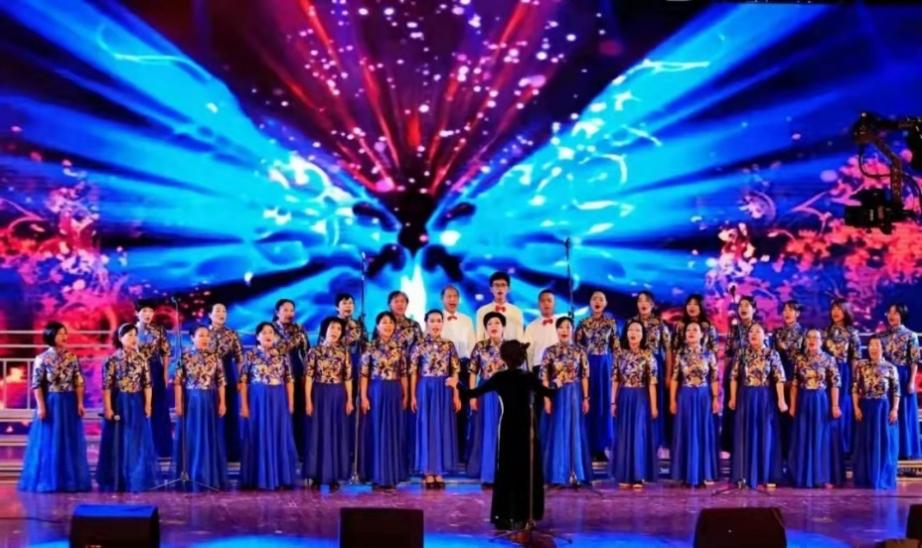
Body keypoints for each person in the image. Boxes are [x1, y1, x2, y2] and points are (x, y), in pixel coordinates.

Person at [446, 340, 556, 532]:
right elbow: (548, 392)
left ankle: (506, 514)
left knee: (507, 469)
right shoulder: (528, 377)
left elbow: (472, 393)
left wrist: (457, 385)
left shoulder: (500, 378)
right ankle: (527, 513)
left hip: (508, 427)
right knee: (527, 469)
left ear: (504, 358)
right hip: (527, 427)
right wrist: (556, 382)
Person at [19, 322, 91, 492]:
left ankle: (69, 480)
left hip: (69, 402)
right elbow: (37, 384)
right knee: (50, 441)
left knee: (69, 441)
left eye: (65, 333)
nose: (64, 336)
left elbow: (79, 382)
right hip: (51, 402)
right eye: (60, 333)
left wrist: (80, 403)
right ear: (51, 336)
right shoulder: (42, 359)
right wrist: (41, 407)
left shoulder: (72, 357)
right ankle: (49, 479)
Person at [96, 323, 160, 492]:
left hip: (136, 402)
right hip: (120, 403)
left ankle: (135, 477)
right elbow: (107, 387)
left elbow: (147, 384)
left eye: (135, 335)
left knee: (136, 439)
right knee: (119, 440)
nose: (133, 338)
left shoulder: (142, 359)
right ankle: (118, 479)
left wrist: (148, 404)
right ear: (120, 338)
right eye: (129, 335)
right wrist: (108, 408)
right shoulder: (112, 360)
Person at [239, 322, 298, 490]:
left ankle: (280, 478)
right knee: (258, 434)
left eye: (271, 332)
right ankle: (258, 478)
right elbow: (243, 382)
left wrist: (290, 402)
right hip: (258, 399)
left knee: (279, 435)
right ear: (257, 336)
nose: (268, 335)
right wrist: (244, 405)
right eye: (264, 332)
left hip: (278, 398)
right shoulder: (250, 355)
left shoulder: (282, 356)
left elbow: (289, 380)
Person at [728, 323, 787, 489]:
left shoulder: (772, 354)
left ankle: (767, 474)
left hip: (764, 397)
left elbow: (779, 378)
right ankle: (744, 475)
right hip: (746, 396)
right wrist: (732, 398)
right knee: (745, 433)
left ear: (765, 335)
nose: (753, 334)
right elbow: (733, 377)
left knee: (766, 432)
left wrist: (781, 400)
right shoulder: (741, 353)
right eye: (751, 331)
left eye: (758, 331)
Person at [172, 325, 228, 491]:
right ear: (192, 338)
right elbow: (177, 382)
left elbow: (221, 382)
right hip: (191, 400)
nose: (205, 339)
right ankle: (192, 475)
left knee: (209, 437)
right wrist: (179, 403)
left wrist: (222, 402)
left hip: (210, 399)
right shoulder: (184, 356)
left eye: (207, 336)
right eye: (201, 335)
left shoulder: (215, 357)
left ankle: (209, 476)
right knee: (193, 437)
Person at [410, 310, 462, 489]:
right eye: (432, 321)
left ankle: (439, 470)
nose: (436, 324)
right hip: (426, 388)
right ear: (426, 323)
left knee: (441, 426)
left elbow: (455, 370)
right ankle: (427, 471)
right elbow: (413, 372)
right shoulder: (419, 344)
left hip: (444, 388)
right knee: (426, 427)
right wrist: (413, 395)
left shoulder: (449, 345)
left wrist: (456, 394)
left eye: (439, 321)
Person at [540, 316, 592, 487]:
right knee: (557, 431)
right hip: (556, 393)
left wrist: (586, 398)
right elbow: (544, 377)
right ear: (556, 330)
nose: (564, 330)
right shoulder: (549, 351)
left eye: (568, 327)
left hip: (575, 393)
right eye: (561, 327)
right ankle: (557, 474)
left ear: (572, 330)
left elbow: (584, 376)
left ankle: (575, 473)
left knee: (574, 430)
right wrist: (546, 399)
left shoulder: (580, 350)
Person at [360, 312, 408, 491]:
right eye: (384, 322)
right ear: (377, 325)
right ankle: (377, 476)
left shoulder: (400, 348)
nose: (388, 326)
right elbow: (364, 374)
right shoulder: (369, 347)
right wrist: (363, 397)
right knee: (376, 431)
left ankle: (391, 476)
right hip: (376, 391)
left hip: (394, 391)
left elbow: (403, 373)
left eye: (390, 323)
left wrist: (406, 395)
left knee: (393, 432)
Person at [304, 317, 353, 491]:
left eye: (339, 329)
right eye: (332, 328)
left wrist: (349, 399)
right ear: (325, 330)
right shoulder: (314, 351)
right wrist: (308, 400)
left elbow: (348, 378)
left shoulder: (344, 352)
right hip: (319, 393)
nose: (335, 331)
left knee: (336, 433)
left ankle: (334, 476)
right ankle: (316, 475)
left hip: (338, 394)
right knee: (318, 432)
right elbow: (308, 378)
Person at [787, 329, 841, 488]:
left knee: (821, 437)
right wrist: (792, 406)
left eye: (815, 338)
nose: (812, 340)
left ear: (821, 341)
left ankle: (821, 477)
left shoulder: (829, 359)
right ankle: (802, 476)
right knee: (803, 436)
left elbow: (835, 384)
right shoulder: (800, 359)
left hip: (820, 401)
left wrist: (835, 405)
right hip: (804, 400)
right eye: (809, 337)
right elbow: (795, 384)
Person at [670, 321, 720, 487]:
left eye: (695, 330)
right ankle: (685, 473)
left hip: (704, 396)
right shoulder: (680, 354)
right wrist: (672, 400)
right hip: (685, 395)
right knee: (686, 431)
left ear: (702, 335)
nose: (691, 332)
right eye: (688, 330)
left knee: (703, 431)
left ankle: (705, 472)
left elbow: (714, 378)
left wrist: (715, 398)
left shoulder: (709, 354)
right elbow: (675, 378)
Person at [610, 319, 658, 488]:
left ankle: (639, 475)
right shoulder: (619, 354)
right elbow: (615, 380)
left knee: (638, 434)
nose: (634, 333)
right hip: (624, 396)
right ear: (626, 333)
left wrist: (654, 406)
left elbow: (652, 383)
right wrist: (613, 402)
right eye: (631, 330)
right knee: (624, 434)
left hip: (641, 397)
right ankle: (625, 474)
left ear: (643, 335)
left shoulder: (648, 355)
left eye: (638, 330)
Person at [574, 290, 619, 460]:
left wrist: (616, 370)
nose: (597, 301)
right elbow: (577, 347)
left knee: (603, 404)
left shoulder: (611, 323)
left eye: (601, 299)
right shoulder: (583, 323)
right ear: (590, 302)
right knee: (588, 403)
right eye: (594, 298)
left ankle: (601, 446)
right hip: (587, 365)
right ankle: (587, 445)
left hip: (605, 365)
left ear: (605, 303)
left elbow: (616, 349)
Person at [853, 336, 901, 489]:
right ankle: (865, 478)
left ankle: (881, 477)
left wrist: (895, 409)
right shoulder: (861, 366)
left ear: (883, 348)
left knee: (883, 442)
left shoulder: (891, 368)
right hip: (866, 407)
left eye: (876, 345)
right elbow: (855, 388)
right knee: (865, 442)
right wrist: (856, 407)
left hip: (883, 408)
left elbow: (896, 391)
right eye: (871, 345)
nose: (873, 348)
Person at [467, 312, 507, 486]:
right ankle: (487, 473)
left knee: (505, 432)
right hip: (486, 391)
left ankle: (505, 473)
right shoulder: (480, 347)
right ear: (485, 328)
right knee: (486, 430)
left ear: (503, 327)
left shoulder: (511, 347)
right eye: (489, 324)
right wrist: (472, 395)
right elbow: (473, 372)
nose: (493, 326)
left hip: (507, 392)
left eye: (497, 323)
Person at [630, 291, 671, 452]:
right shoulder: (631, 323)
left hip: (655, 366)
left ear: (652, 304)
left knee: (655, 404)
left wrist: (668, 375)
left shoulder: (660, 324)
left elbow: (668, 350)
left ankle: (654, 442)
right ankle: (637, 441)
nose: (643, 303)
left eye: (646, 300)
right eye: (640, 300)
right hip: (634, 367)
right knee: (638, 403)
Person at [878, 302, 920, 459]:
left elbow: (914, 361)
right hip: (885, 377)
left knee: (904, 412)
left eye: (895, 313)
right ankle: (888, 450)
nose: (891, 316)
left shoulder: (910, 335)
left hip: (903, 375)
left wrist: (911, 381)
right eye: (889, 312)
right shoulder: (881, 336)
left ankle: (905, 451)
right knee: (888, 411)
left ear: (902, 315)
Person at [388, 290, 423, 477]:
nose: (400, 304)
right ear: (389, 304)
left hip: (411, 375)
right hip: (390, 378)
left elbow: (422, 350)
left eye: (403, 301)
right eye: (396, 301)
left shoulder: (414, 326)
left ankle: (410, 461)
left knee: (411, 416)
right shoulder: (385, 323)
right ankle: (392, 461)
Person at [440, 285, 476, 462]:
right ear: (442, 299)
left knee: (462, 410)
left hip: (463, 367)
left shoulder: (467, 320)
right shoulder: (436, 318)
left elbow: (472, 347)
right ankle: (444, 452)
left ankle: (461, 453)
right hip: (442, 369)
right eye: (449, 296)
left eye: (455, 296)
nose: (452, 299)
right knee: (443, 410)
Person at [135, 299, 172, 458]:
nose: (148, 314)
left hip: (155, 370)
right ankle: (139, 448)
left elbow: (166, 352)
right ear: (137, 313)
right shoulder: (131, 330)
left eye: (150, 311)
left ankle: (161, 449)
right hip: (136, 372)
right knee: (138, 406)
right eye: (144, 311)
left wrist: (165, 373)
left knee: (158, 409)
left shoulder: (159, 330)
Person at [207, 303, 244, 462]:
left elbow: (240, 359)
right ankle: (211, 451)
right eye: (217, 311)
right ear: (210, 315)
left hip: (228, 372)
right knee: (210, 412)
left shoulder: (232, 334)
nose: (221, 314)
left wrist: (240, 378)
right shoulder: (203, 333)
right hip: (207, 374)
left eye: (224, 311)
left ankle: (231, 452)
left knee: (229, 413)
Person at [274, 299, 310, 460]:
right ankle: (279, 450)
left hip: (296, 371)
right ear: (277, 312)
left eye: (291, 310)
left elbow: (307, 352)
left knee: (297, 411)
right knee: (280, 411)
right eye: (285, 310)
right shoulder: (269, 329)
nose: (289, 313)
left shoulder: (299, 329)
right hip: (276, 374)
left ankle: (299, 451)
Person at [824, 298, 860, 459]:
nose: (835, 312)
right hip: (826, 373)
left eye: (839, 309)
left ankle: (844, 447)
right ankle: (829, 446)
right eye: (833, 309)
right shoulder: (825, 332)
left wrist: (855, 380)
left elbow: (855, 359)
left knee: (844, 405)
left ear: (846, 311)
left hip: (844, 372)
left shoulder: (852, 333)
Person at [721, 296, 758, 454]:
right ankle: (735, 447)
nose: (743, 308)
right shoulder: (734, 330)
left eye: (747, 305)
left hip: (753, 375)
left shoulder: (758, 329)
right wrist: (726, 378)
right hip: (734, 374)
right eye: (740, 305)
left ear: (754, 309)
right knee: (734, 409)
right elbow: (728, 355)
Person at [772, 300, 805, 460]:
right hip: (780, 377)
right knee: (780, 417)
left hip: (797, 377)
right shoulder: (777, 333)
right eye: (785, 310)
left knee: (796, 416)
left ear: (797, 313)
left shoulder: (804, 333)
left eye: (791, 310)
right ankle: (781, 456)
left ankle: (796, 457)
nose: (787, 313)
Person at [475, 272, 525, 342]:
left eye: (503, 285)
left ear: (509, 289)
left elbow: (520, 337)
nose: (500, 288)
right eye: (496, 285)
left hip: (511, 348)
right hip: (489, 348)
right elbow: (479, 338)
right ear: (491, 289)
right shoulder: (482, 312)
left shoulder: (517, 312)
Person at [524, 290, 562, 368]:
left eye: (549, 300)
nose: (546, 303)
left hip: (559, 365)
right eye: (543, 301)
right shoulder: (531, 327)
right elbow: (529, 351)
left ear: (555, 303)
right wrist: (530, 370)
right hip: (538, 365)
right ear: (538, 304)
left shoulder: (562, 324)